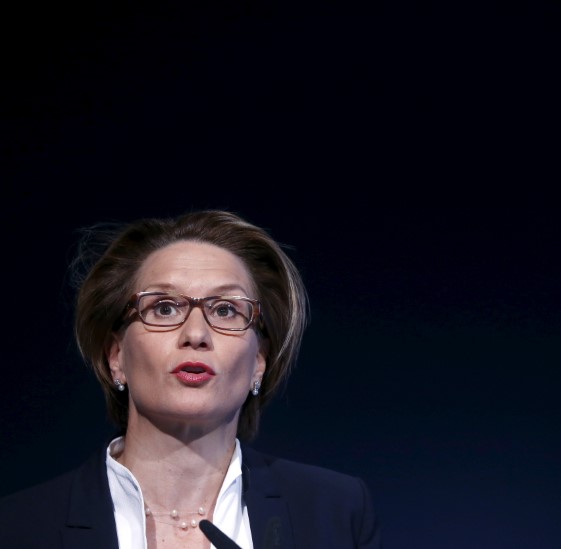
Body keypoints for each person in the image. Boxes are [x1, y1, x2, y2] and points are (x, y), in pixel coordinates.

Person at [0, 209, 382, 548]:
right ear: (116, 357)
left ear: (259, 362)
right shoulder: (20, 527)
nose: (196, 333)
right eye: (164, 308)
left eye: (226, 310)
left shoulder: (335, 511)